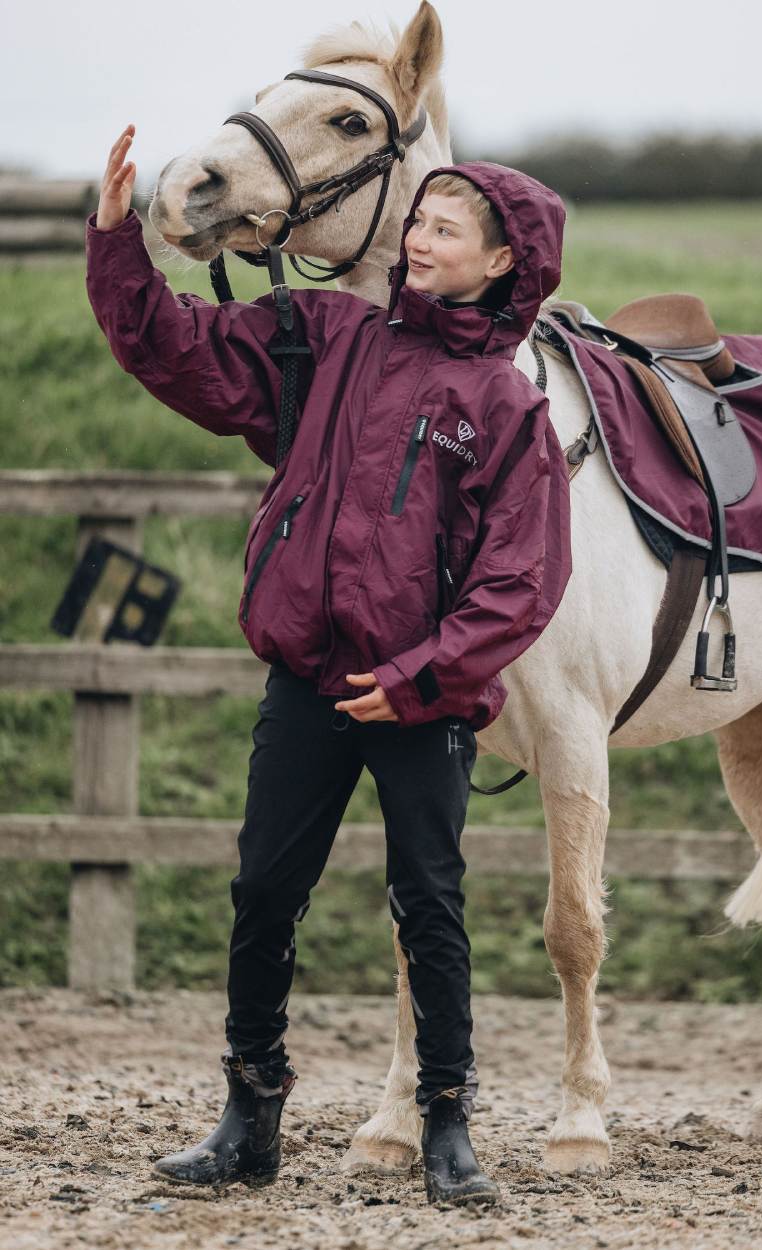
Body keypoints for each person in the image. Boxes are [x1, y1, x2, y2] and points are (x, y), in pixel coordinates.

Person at [86, 126, 571, 1206]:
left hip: (420, 702)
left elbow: (519, 583)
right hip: (307, 681)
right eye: (419, 221)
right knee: (264, 890)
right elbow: (178, 346)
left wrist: (422, 678)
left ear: (503, 261)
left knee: (429, 904)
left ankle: (448, 1126)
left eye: (447, 229)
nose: (421, 239)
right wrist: (118, 241)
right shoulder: (327, 335)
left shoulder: (507, 408)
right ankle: (248, 1115)